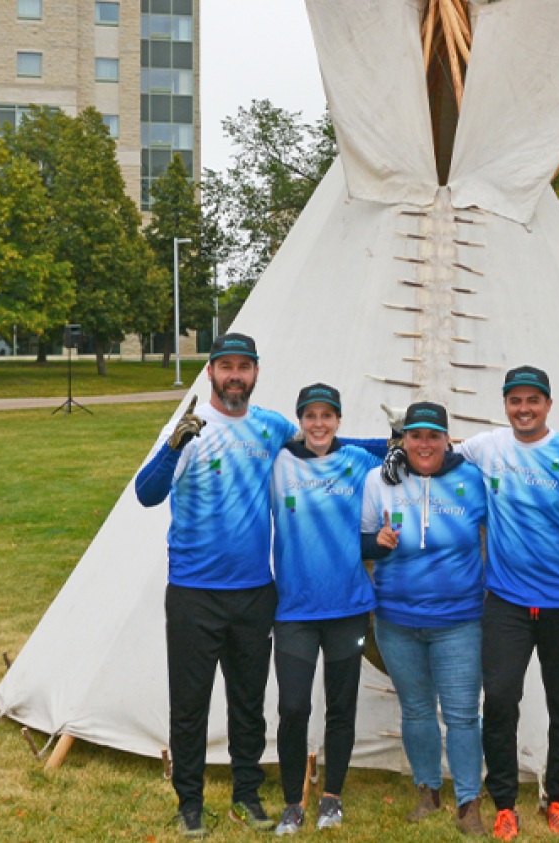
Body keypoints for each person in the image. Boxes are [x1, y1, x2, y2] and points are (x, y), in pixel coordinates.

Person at [388, 367, 559, 839]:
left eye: (533, 400)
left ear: (548, 404)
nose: (524, 409)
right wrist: (393, 451)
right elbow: (433, 451)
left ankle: (557, 798)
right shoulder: (488, 448)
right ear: (506, 404)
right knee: (502, 701)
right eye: (515, 401)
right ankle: (505, 803)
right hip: (507, 600)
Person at [132, 333, 297, 839]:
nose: (234, 376)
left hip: (253, 591)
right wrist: (172, 445)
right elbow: (145, 494)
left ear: (255, 374)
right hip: (193, 592)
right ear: (210, 372)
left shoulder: (271, 427)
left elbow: (326, 448)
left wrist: (402, 444)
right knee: (190, 704)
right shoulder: (191, 425)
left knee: (249, 702)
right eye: (225, 366)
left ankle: (246, 795)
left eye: (243, 367)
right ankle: (190, 802)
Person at [361, 402, 491, 835]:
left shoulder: (472, 478)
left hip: (459, 620)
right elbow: (362, 544)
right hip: (396, 619)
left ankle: (469, 800)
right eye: (415, 435)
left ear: (447, 439)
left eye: (433, 436)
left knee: (461, 714)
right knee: (416, 710)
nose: (424, 444)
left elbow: (494, 535)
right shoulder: (379, 480)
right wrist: (375, 544)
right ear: (402, 440)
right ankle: (427, 790)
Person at [267, 384, 383, 835]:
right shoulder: (278, 463)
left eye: (327, 415)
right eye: (310, 415)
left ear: (338, 420)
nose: (319, 424)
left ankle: (331, 797)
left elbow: (400, 462)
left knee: (341, 705)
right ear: (300, 419)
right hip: (294, 608)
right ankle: (293, 801)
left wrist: (393, 437)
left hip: (348, 607)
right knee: (293, 707)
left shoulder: (356, 461)